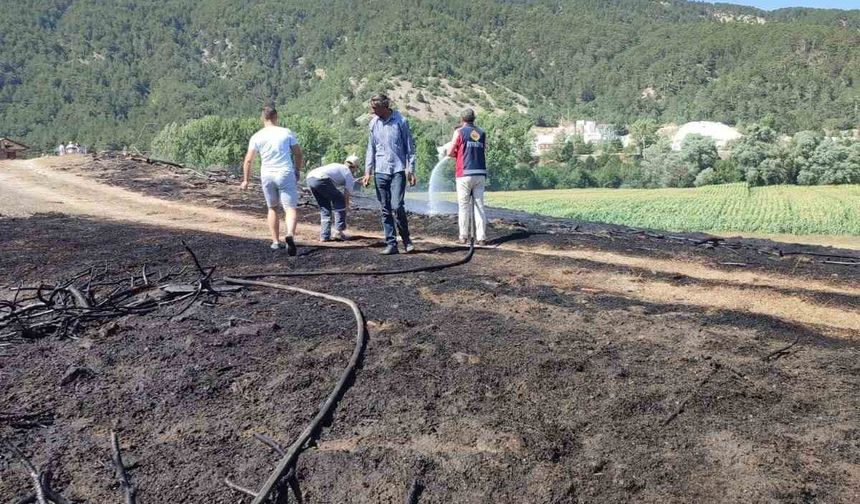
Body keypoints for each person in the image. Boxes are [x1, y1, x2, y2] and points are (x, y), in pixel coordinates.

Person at [241, 106, 304, 254]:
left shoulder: (257, 136)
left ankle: (275, 241)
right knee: (290, 208)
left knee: (272, 208)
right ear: (276, 117)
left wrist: (246, 180)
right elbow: (298, 153)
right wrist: (297, 170)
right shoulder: (286, 132)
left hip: (267, 175)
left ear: (263, 118)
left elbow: (248, 160)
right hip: (285, 172)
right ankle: (289, 234)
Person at [362, 94, 417, 255]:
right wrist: (367, 171)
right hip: (380, 171)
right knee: (385, 209)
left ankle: (406, 240)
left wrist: (411, 170)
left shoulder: (401, 121)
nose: (372, 111)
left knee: (397, 206)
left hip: (398, 170)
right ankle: (391, 243)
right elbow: (370, 149)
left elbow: (410, 148)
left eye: (374, 108)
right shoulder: (373, 124)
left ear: (384, 107)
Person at [447, 108, 488, 245]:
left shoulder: (459, 132)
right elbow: (483, 149)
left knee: (463, 206)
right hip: (480, 173)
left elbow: (450, 151)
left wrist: (455, 154)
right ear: (474, 118)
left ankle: (463, 237)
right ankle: (481, 238)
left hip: (464, 173)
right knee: (479, 206)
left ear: (462, 119)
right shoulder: (481, 133)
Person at [306, 155, 361, 242]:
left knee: (325, 207)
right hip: (321, 179)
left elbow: (333, 180)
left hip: (310, 178)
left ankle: (325, 235)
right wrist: (346, 206)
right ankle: (338, 232)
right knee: (340, 200)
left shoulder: (338, 166)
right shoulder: (348, 174)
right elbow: (346, 194)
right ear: (356, 167)